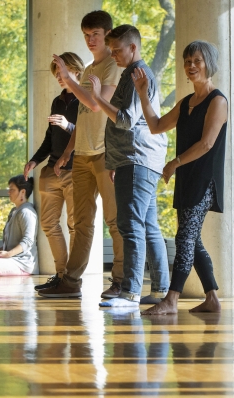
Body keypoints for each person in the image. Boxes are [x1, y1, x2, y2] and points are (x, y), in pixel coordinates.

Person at [130, 40, 227, 315]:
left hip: (204, 179)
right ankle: (212, 298)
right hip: (186, 177)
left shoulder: (217, 100)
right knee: (191, 239)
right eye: (187, 61)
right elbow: (157, 125)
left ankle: (171, 299)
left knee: (185, 237)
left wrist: (174, 163)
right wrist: (143, 95)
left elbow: (207, 143)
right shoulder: (186, 103)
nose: (191, 65)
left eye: (197, 60)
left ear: (208, 63)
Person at [38, 11, 124, 299]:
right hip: (82, 155)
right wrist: (65, 155)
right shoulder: (88, 71)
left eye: (95, 34)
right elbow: (85, 116)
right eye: (86, 34)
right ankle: (71, 282)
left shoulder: (112, 66)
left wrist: (68, 79)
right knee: (81, 224)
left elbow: (97, 104)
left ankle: (121, 282)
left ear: (107, 35)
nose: (89, 40)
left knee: (114, 220)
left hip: (105, 154)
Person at [90, 24, 169, 308]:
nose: (113, 55)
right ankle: (160, 290)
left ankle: (130, 293)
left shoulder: (138, 74)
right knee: (147, 225)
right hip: (134, 159)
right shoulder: (131, 74)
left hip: (137, 159)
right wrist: (114, 160)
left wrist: (99, 98)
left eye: (117, 50)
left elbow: (125, 119)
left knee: (130, 224)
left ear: (132, 48)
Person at [24, 52, 81, 290]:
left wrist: (67, 125)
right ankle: (61, 275)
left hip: (76, 171)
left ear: (77, 70)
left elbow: (88, 135)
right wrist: (35, 161)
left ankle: (72, 280)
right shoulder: (58, 101)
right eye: (56, 72)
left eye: (63, 70)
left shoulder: (86, 100)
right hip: (51, 171)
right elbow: (50, 137)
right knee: (48, 224)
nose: (59, 76)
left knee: (76, 227)